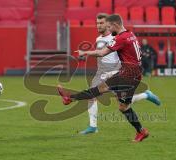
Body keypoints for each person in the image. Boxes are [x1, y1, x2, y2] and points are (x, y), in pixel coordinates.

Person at [58, 14, 154, 142]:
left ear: (115, 25)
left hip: (128, 74)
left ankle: (69, 98)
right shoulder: (130, 34)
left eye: (109, 26)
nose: (109, 29)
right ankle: (142, 131)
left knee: (99, 89)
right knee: (123, 107)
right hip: (134, 73)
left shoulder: (121, 38)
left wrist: (85, 52)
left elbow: (101, 53)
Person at [79, 14, 161, 135]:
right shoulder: (99, 39)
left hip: (116, 72)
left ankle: (145, 96)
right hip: (103, 72)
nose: (99, 25)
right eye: (97, 23)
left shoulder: (115, 38)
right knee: (98, 96)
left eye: (102, 23)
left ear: (109, 25)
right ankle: (93, 126)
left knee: (121, 104)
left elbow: (116, 55)